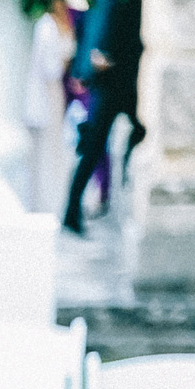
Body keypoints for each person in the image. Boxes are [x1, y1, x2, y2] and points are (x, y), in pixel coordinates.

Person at [63, 0, 143, 234]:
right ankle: (71, 211)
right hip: (111, 84)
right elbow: (95, 35)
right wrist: (92, 64)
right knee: (93, 148)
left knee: (138, 131)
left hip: (119, 83)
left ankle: (76, 208)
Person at [26, 2, 78, 215]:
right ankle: (44, 203)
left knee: (56, 147)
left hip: (58, 91)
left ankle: (54, 200)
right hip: (50, 91)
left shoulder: (64, 23)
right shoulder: (45, 26)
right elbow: (49, 67)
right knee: (47, 148)